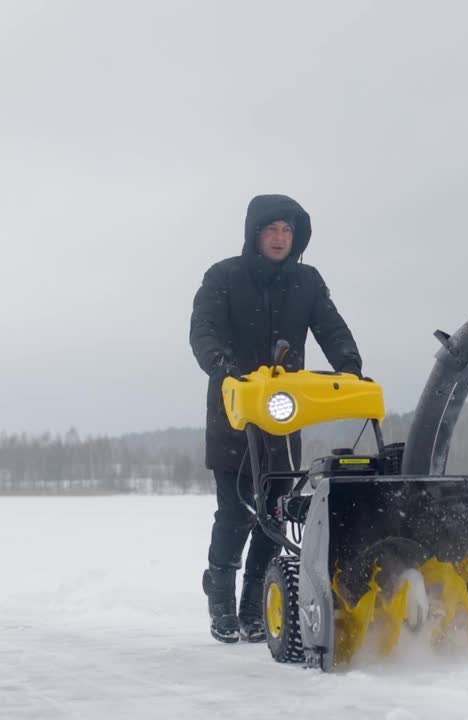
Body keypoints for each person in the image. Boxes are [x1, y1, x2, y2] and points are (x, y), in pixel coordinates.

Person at [189, 194, 362, 643]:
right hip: (235, 410)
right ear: (255, 234)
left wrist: (349, 366)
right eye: (273, 230)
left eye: (287, 231)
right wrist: (222, 365)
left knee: (276, 510)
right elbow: (202, 328)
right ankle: (221, 601)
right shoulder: (223, 277)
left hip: (285, 415)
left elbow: (331, 326)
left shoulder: (306, 282)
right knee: (235, 511)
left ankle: (255, 604)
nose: (281, 238)